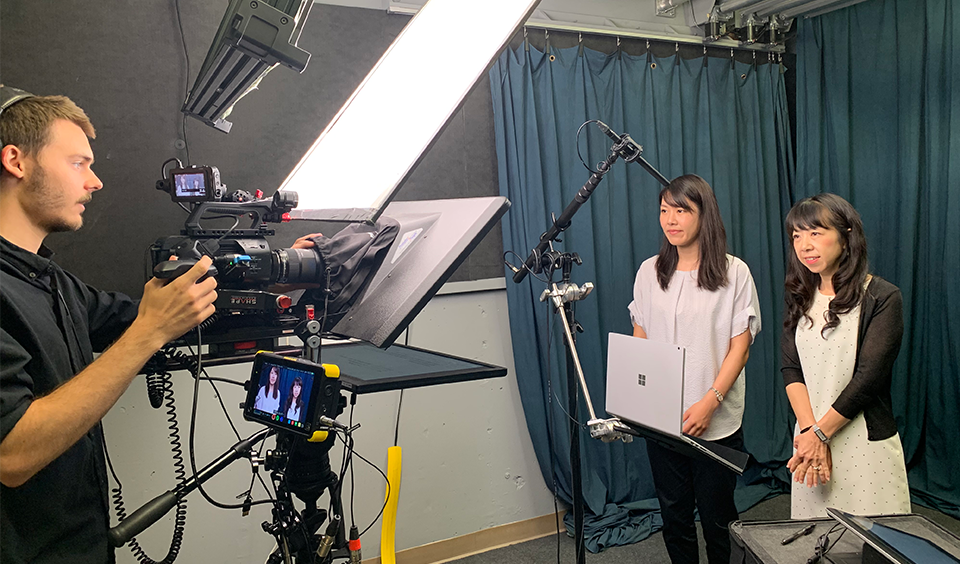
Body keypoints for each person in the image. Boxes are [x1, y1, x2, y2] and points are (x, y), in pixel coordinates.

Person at [0, 88, 218, 563]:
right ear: (16, 160)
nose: (95, 182)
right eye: (79, 163)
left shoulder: (49, 280)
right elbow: (11, 453)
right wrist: (150, 333)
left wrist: (264, 272)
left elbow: (138, 314)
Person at [628, 174, 760, 564]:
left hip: (715, 420)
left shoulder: (735, 272)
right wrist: (638, 398)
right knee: (675, 517)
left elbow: (741, 347)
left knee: (719, 520)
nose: (670, 219)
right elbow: (641, 335)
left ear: (705, 214)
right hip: (662, 421)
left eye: (681, 210)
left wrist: (710, 402)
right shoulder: (649, 272)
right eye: (664, 210)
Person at [781, 193, 910, 519]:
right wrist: (810, 434)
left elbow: (869, 378)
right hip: (809, 443)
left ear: (846, 235)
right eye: (797, 235)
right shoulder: (800, 296)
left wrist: (821, 433)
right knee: (812, 544)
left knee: (872, 545)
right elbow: (790, 367)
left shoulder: (882, 296)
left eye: (815, 232)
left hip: (864, 443)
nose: (804, 245)